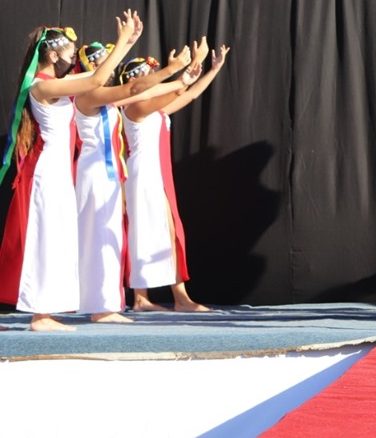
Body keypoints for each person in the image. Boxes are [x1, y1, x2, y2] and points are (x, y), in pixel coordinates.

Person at [0, 11, 139, 331]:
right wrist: (120, 42)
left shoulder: (57, 84)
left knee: (58, 237)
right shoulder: (41, 86)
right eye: (69, 53)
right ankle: (40, 315)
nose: (74, 58)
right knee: (46, 237)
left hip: (60, 172)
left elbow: (96, 76)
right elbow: (94, 81)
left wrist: (127, 45)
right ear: (52, 55)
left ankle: (46, 310)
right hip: (45, 171)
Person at [74, 40, 199, 323]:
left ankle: (110, 304)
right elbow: (136, 90)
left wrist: (187, 77)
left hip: (110, 173)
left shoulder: (108, 99)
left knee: (113, 237)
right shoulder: (95, 96)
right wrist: (176, 73)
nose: (111, 65)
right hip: (100, 172)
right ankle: (106, 306)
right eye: (104, 60)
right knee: (107, 237)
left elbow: (155, 91)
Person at [123, 39, 230, 313]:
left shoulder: (155, 110)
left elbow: (188, 95)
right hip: (143, 175)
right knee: (143, 231)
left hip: (156, 172)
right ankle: (143, 298)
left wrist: (213, 70)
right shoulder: (134, 108)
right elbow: (176, 90)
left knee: (168, 231)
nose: (153, 79)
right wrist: (192, 65)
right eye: (148, 76)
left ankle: (177, 297)